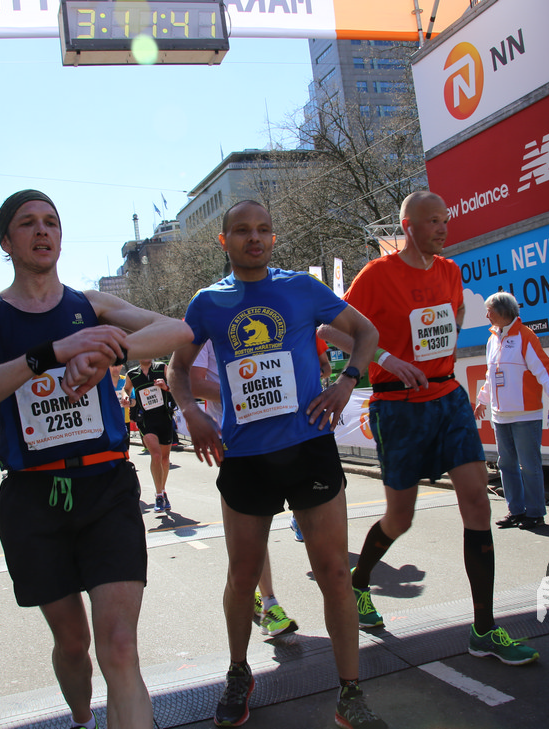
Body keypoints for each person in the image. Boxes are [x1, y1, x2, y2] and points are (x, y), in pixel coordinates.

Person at [0, 189, 192, 729]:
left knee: (119, 645)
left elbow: (178, 330)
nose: (42, 231)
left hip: (105, 487)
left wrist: (105, 350)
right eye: (28, 223)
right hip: (34, 500)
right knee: (73, 642)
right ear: (6, 241)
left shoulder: (90, 305)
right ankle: (82, 718)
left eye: (51, 222)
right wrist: (51, 355)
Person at [167, 200, 386, 729]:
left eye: (264, 229)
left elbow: (367, 333)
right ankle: (238, 671)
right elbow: (177, 369)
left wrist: (346, 383)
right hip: (246, 456)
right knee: (242, 576)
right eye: (243, 230)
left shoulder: (302, 288)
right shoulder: (207, 302)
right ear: (224, 240)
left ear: (273, 237)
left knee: (334, 572)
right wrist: (191, 412)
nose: (255, 238)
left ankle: (350, 692)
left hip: (309, 447)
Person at [322, 190, 539, 665]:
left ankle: (484, 629)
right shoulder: (376, 275)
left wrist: (440, 345)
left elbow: (453, 315)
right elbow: (328, 329)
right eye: (433, 221)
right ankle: (360, 583)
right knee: (400, 517)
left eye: (445, 219)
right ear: (408, 227)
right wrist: (386, 358)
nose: (443, 228)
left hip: (448, 398)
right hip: (398, 407)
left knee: (477, 501)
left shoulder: (450, 271)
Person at [192, 338, 300, 638]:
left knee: (258, 535)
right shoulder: (204, 325)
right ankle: (269, 604)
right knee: (251, 534)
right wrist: (243, 389)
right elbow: (195, 383)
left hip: (281, 433)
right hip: (237, 443)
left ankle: (253, 591)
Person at [473, 292, 549, 530]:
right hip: (500, 415)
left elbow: (543, 367)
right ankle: (516, 511)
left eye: (490, 311)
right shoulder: (492, 339)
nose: (487, 315)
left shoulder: (525, 336)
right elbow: (490, 374)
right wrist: (482, 400)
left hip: (526, 414)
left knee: (529, 466)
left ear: (503, 311)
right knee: (506, 465)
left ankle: (535, 513)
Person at [123, 359, 176, 512]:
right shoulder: (132, 374)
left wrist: (166, 387)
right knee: (156, 455)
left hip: (164, 417)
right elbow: (126, 389)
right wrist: (126, 397)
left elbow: (177, 386)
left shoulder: (161, 368)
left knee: (165, 459)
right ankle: (158, 495)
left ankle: (163, 490)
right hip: (146, 420)